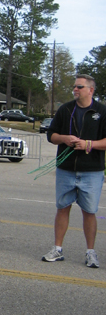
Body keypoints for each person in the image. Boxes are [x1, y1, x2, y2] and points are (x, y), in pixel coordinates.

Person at [42, 74, 106, 268]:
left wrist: (89, 144)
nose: (75, 90)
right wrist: (64, 139)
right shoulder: (66, 109)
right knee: (62, 208)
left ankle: (90, 253)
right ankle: (57, 249)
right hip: (66, 169)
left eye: (79, 86)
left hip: (92, 171)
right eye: (74, 87)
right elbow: (51, 135)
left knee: (89, 211)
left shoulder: (101, 111)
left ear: (91, 90)